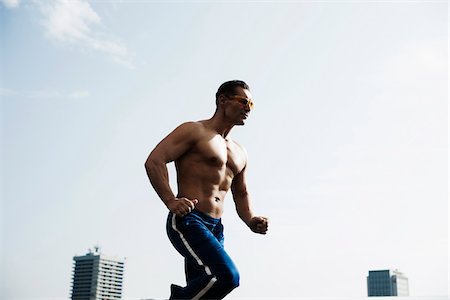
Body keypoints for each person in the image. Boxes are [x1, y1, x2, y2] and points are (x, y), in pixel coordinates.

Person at [145, 80, 269, 299]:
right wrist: (171, 200)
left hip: (216, 228)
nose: (248, 108)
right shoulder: (194, 130)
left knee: (204, 291)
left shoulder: (240, 151)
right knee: (226, 277)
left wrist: (250, 219)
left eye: (252, 104)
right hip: (189, 220)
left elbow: (240, 192)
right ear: (223, 100)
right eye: (243, 101)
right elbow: (155, 160)